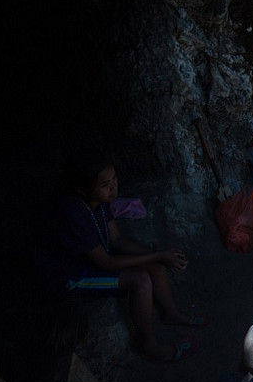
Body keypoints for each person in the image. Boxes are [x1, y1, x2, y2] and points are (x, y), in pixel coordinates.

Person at [34, 151, 208, 362]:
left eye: (114, 180)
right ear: (81, 189)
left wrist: (160, 256)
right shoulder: (74, 214)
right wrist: (158, 254)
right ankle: (149, 345)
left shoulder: (100, 201)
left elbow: (117, 240)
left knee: (156, 266)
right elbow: (105, 262)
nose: (114, 188)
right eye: (105, 184)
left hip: (95, 257)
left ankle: (172, 314)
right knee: (141, 280)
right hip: (70, 275)